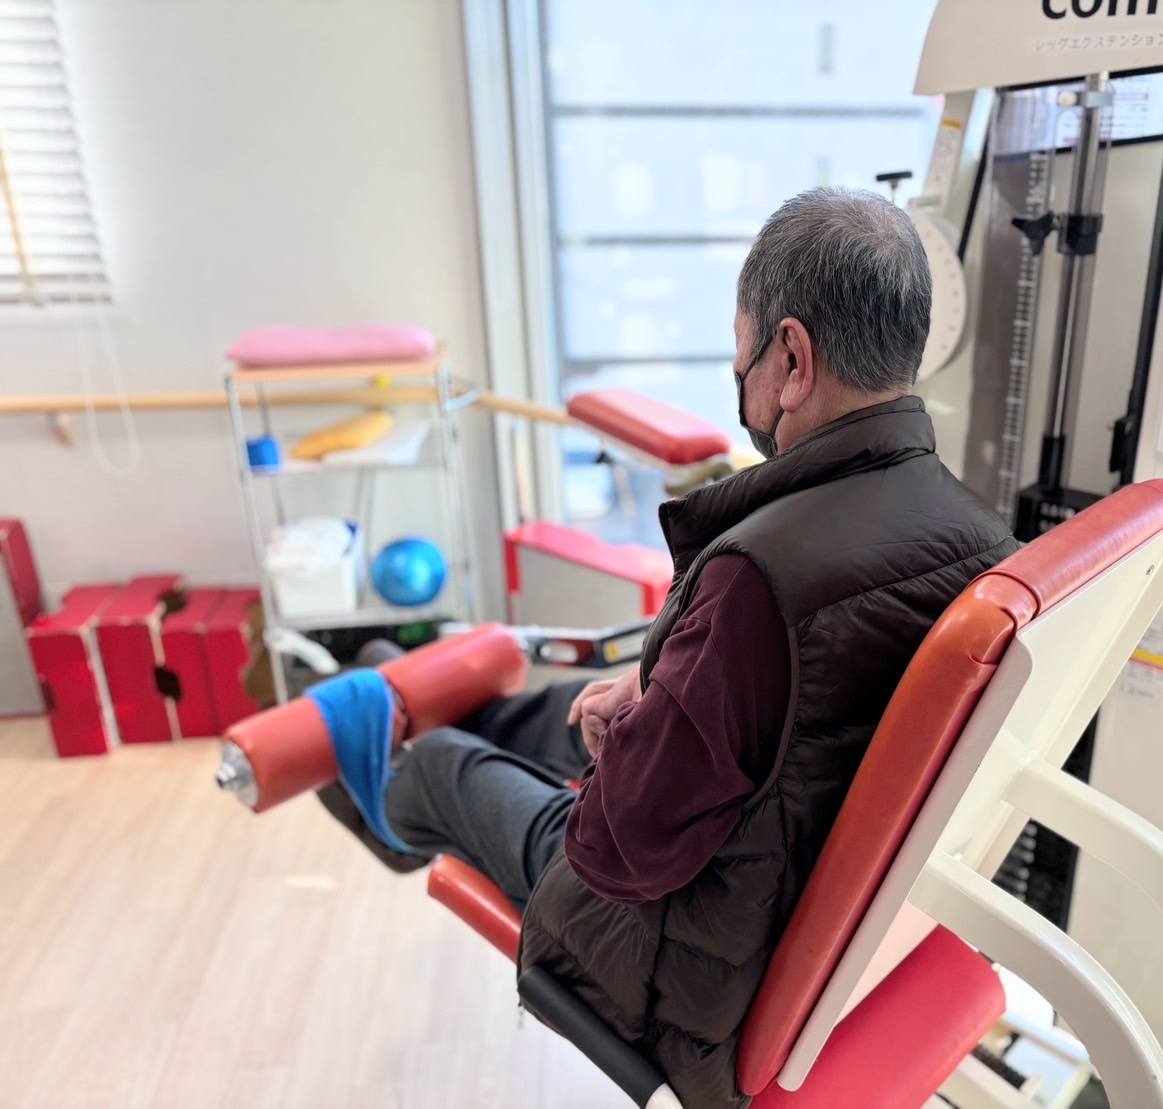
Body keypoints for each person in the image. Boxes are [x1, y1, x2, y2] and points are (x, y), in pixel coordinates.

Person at [320, 186, 1019, 1108]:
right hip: (791, 879)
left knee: (443, 764)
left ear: (791, 357)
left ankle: (365, 777)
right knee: (553, 709)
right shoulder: (983, 538)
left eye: (741, 344)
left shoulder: (761, 575)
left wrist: (640, 731)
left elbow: (616, 850)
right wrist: (658, 692)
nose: (737, 369)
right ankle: (418, 689)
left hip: (674, 955)